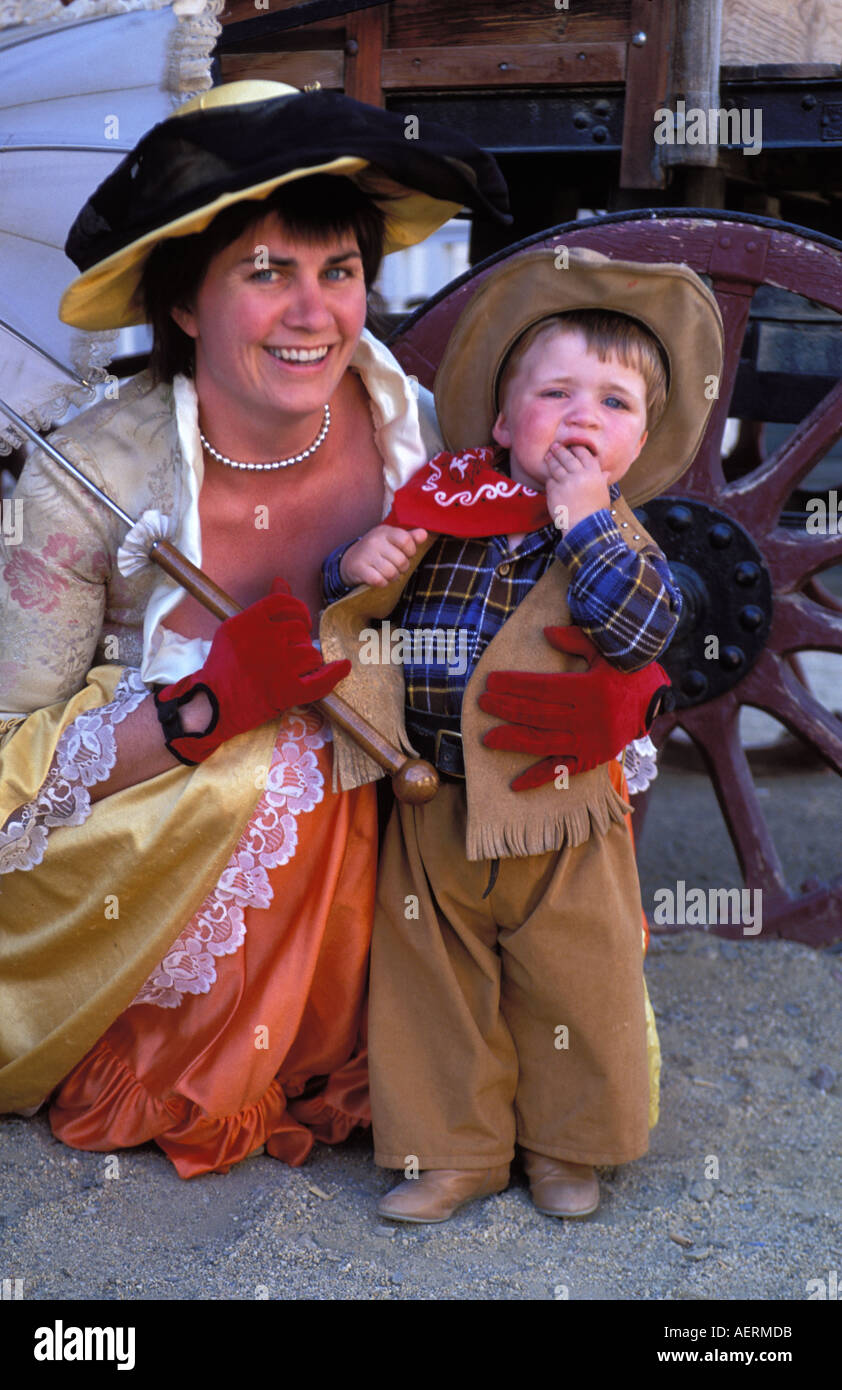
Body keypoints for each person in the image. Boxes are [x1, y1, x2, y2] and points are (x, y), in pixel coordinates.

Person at [0, 79, 512, 1177]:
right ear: (184, 303)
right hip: (134, 850)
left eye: (341, 272)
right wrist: (204, 702)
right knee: (265, 761)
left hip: (382, 813)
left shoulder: (402, 414)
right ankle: (186, 1051)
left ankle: (396, 1024)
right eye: (266, 274)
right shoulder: (90, 480)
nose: (314, 313)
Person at [318, 246, 724, 1220]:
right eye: (556, 393)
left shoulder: (622, 538)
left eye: (615, 403)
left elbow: (639, 630)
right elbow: (372, 614)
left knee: (573, 979)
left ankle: (566, 1146)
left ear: (641, 442)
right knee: (433, 984)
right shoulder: (447, 513)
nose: (583, 416)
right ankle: (451, 1150)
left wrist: (585, 522)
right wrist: (355, 563)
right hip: (433, 798)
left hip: (558, 805)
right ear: (504, 421)